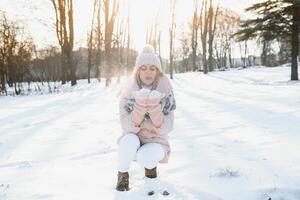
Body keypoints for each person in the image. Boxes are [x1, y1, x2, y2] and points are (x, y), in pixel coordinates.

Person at [116, 44, 176, 194]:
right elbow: (127, 127)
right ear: (137, 71)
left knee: (146, 155)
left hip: (157, 141)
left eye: (152, 68)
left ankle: (151, 179)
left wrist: (155, 107)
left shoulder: (166, 93)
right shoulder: (127, 94)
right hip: (135, 139)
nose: (148, 72)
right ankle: (122, 176)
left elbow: (166, 128)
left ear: (158, 71)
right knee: (127, 139)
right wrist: (140, 106)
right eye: (143, 68)